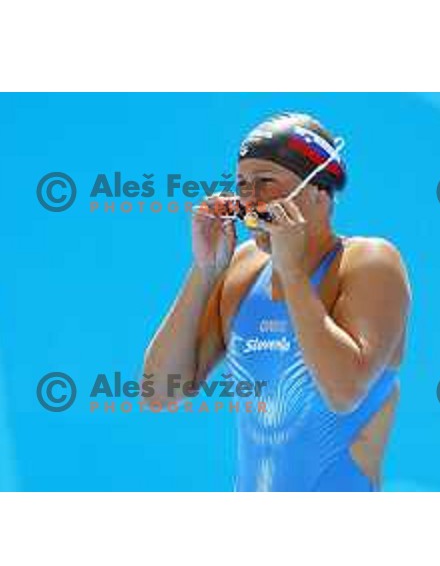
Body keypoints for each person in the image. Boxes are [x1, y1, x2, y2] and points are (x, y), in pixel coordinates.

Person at [143, 112, 411, 491]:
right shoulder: (242, 269)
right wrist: (204, 271)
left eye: (266, 182)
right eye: (242, 185)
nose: (250, 199)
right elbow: (159, 393)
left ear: (319, 192)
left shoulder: (369, 262)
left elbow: (344, 392)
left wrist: (294, 273)